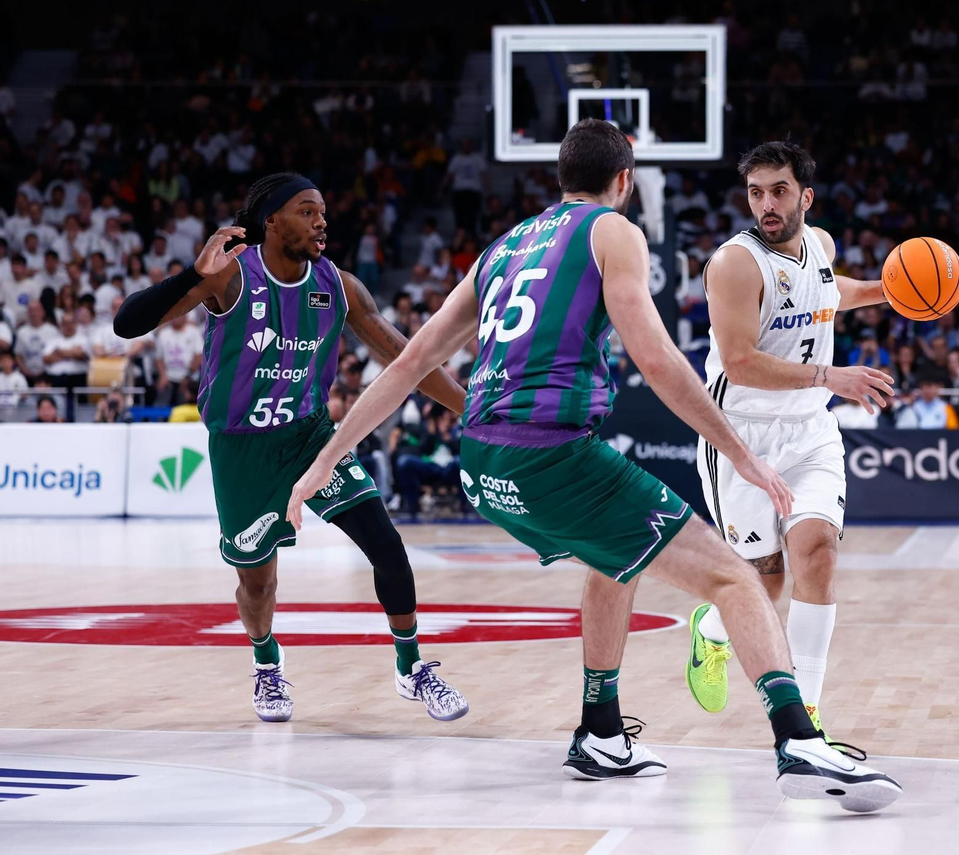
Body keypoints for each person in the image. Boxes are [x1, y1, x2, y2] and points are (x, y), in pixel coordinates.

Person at [286, 121, 900, 809]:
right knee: (734, 577)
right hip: (551, 453)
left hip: (480, 462)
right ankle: (798, 740)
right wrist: (742, 454)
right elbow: (661, 361)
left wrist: (322, 461)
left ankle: (600, 730)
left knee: (617, 557)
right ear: (624, 180)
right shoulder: (614, 232)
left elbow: (409, 361)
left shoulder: (505, 244)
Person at [114, 172, 469, 726]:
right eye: (307, 211)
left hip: (308, 438)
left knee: (386, 543)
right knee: (259, 583)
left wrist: (470, 412)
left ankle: (411, 666)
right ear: (271, 221)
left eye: (323, 211)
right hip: (240, 451)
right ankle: (266, 664)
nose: (321, 220)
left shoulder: (340, 287)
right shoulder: (229, 277)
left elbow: (410, 361)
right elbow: (126, 325)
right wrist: (191, 274)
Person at [688, 138, 899, 747]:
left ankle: (806, 715)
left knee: (817, 554)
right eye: (756, 192)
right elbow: (740, 360)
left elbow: (831, 294)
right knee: (765, 581)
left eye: (778, 190)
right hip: (742, 437)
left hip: (809, 429)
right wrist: (833, 376)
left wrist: (894, 290)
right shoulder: (734, 264)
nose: (766, 204)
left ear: (805, 195)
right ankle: (714, 631)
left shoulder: (822, 246)